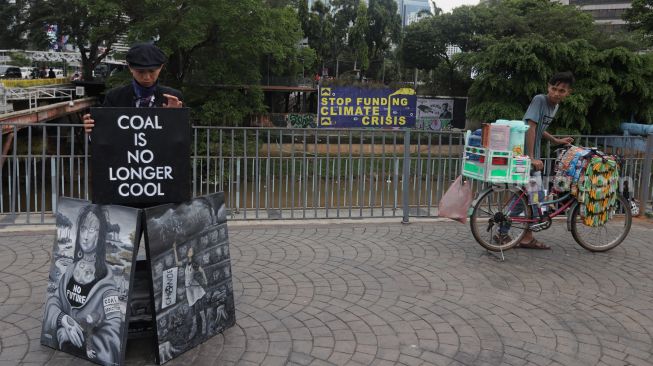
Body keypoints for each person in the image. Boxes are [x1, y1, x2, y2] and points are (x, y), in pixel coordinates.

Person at [498, 72, 575, 249]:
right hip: (525, 157)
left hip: (531, 156)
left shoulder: (554, 106)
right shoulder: (540, 100)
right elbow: (530, 127)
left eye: (561, 91)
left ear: (568, 93)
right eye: (553, 88)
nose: (556, 93)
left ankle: (524, 237)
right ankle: (505, 233)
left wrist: (555, 140)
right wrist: (531, 157)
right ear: (548, 87)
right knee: (534, 197)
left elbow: (540, 128)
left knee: (527, 197)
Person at [42, 205, 121, 363]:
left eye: (92, 230)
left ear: (100, 236)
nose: (85, 236)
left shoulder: (106, 279)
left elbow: (113, 334)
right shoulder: (71, 269)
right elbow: (52, 302)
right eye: (83, 229)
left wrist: (78, 338)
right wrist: (64, 320)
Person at [82, 42, 184, 134]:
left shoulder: (173, 98)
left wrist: (176, 119)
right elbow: (106, 139)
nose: (146, 77)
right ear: (130, 67)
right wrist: (93, 131)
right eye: (140, 71)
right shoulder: (114, 97)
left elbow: (183, 140)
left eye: (152, 71)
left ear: (161, 67)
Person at [173, 241, 209, 340]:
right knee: (192, 309)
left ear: (193, 253)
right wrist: (174, 250)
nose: (189, 251)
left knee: (199, 307)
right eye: (188, 250)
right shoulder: (186, 263)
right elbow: (177, 263)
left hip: (195, 288)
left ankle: (204, 324)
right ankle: (194, 328)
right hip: (189, 290)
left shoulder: (194, 264)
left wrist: (205, 280)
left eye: (191, 251)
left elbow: (202, 270)